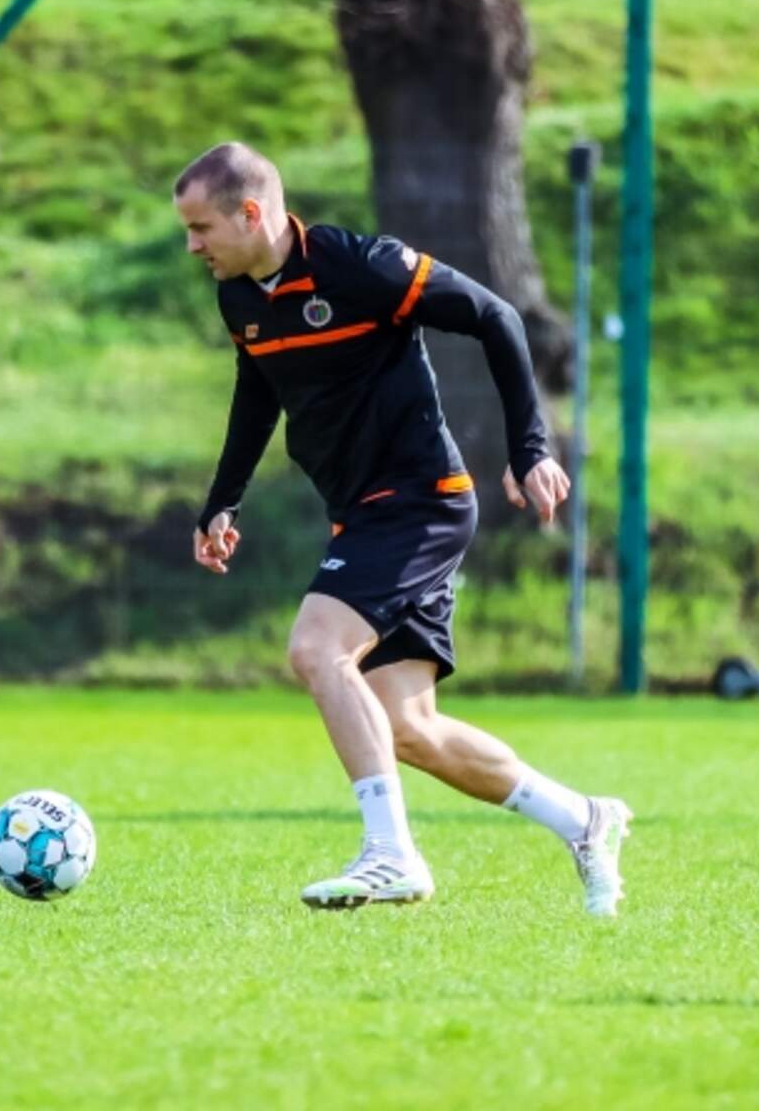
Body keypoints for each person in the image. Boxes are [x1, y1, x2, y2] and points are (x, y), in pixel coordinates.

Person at [176, 141, 632, 916]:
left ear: (251, 214)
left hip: (419, 500)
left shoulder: (364, 267)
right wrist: (224, 499)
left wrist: (530, 447)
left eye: (201, 228)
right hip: (364, 511)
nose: (193, 246)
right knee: (408, 727)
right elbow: (259, 389)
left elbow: (495, 316)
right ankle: (583, 820)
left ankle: (391, 854)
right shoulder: (239, 297)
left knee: (317, 650)